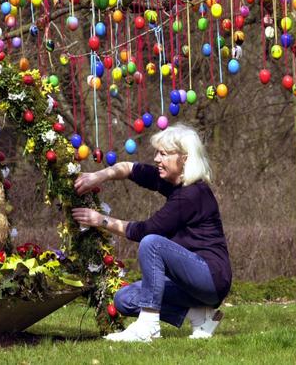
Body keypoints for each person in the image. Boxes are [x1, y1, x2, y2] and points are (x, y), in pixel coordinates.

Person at [72, 123, 232, 342]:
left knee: (152, 243)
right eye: (157, 152)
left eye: (164, 154)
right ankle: (199, 315)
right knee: (124, 299)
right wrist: (99, 175)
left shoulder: (191, 195)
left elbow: (145, 231)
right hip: (188, 282)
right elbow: (130, 168)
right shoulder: (172, 181)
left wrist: (101, 220)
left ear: (184, 158)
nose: (156, 159)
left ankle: (148, 327)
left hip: (210, 278)